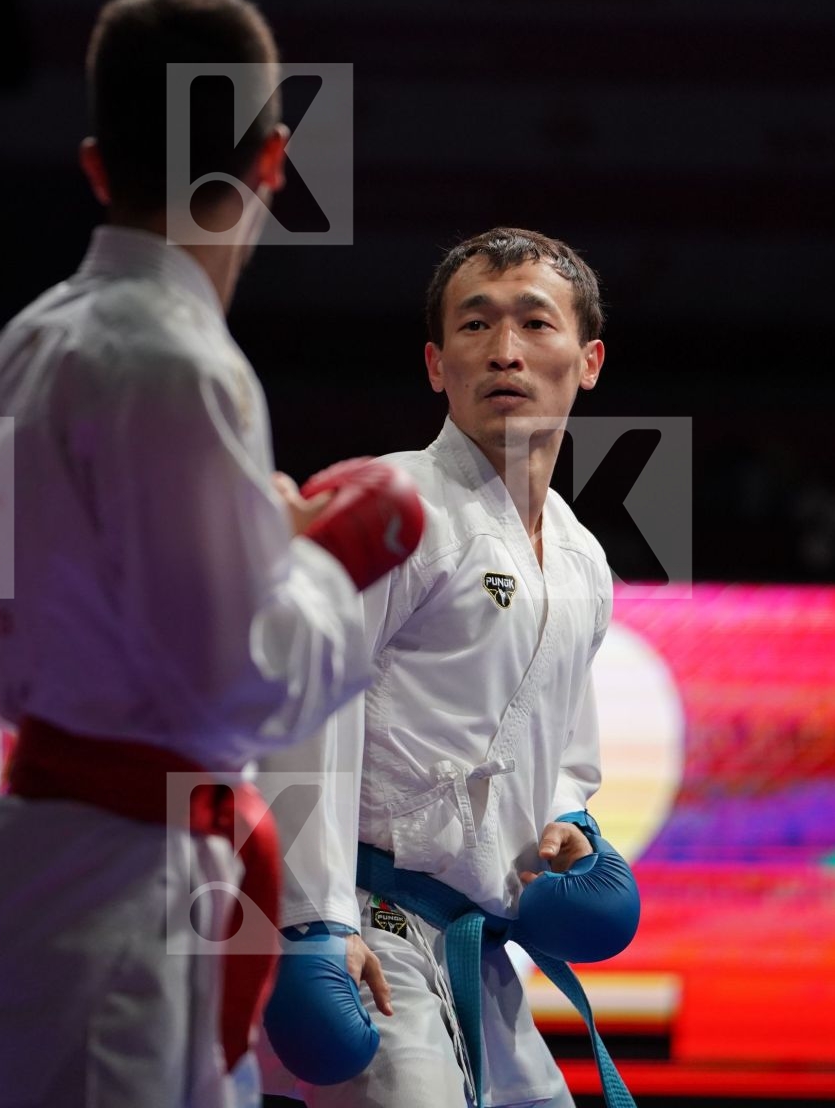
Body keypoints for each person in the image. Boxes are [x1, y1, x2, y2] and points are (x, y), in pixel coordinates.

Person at [0, 0, 423, 1108]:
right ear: (275, 163)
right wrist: (332, 568)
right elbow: (236, 685)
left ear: (99, 168)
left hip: (40, 885)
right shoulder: (178, 367)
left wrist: (270, 547)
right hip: (122, 908)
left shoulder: (17, 352)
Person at [258, 228, 625, 1108]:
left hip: (479, 946)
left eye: (536, 324)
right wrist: (308, 921)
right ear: (435, 362)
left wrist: (573, 833)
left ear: (589, 361)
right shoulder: (389, 509)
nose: (504, 351)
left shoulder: (582, 559)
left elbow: (560, 755)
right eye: (474, 327)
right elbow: (302, 708)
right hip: (368, 924)